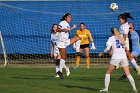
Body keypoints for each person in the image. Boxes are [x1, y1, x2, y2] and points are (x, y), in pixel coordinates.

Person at [99, 27, 137, 93]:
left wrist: (101, 53)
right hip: (123, 57)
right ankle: (134, 89)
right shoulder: (122, 38)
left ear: (111, 33)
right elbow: (126, 47)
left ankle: (106, 89)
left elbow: (107, 48)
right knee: (128, 74)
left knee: (108, 72)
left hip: (116, 57)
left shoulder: (111, 38)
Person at [56, 13, 81, 79]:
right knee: (63, 58)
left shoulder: (67, 24)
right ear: (65, 18)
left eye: (71, 17)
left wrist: (72, 28)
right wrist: (63, 30)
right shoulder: (62, 22)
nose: (70, 18)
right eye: (69, 17)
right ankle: (60, 71)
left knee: (78, 38)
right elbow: (57, 30)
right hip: (61, 43)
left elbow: (66, 31)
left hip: (66, 41)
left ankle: (77, 51)